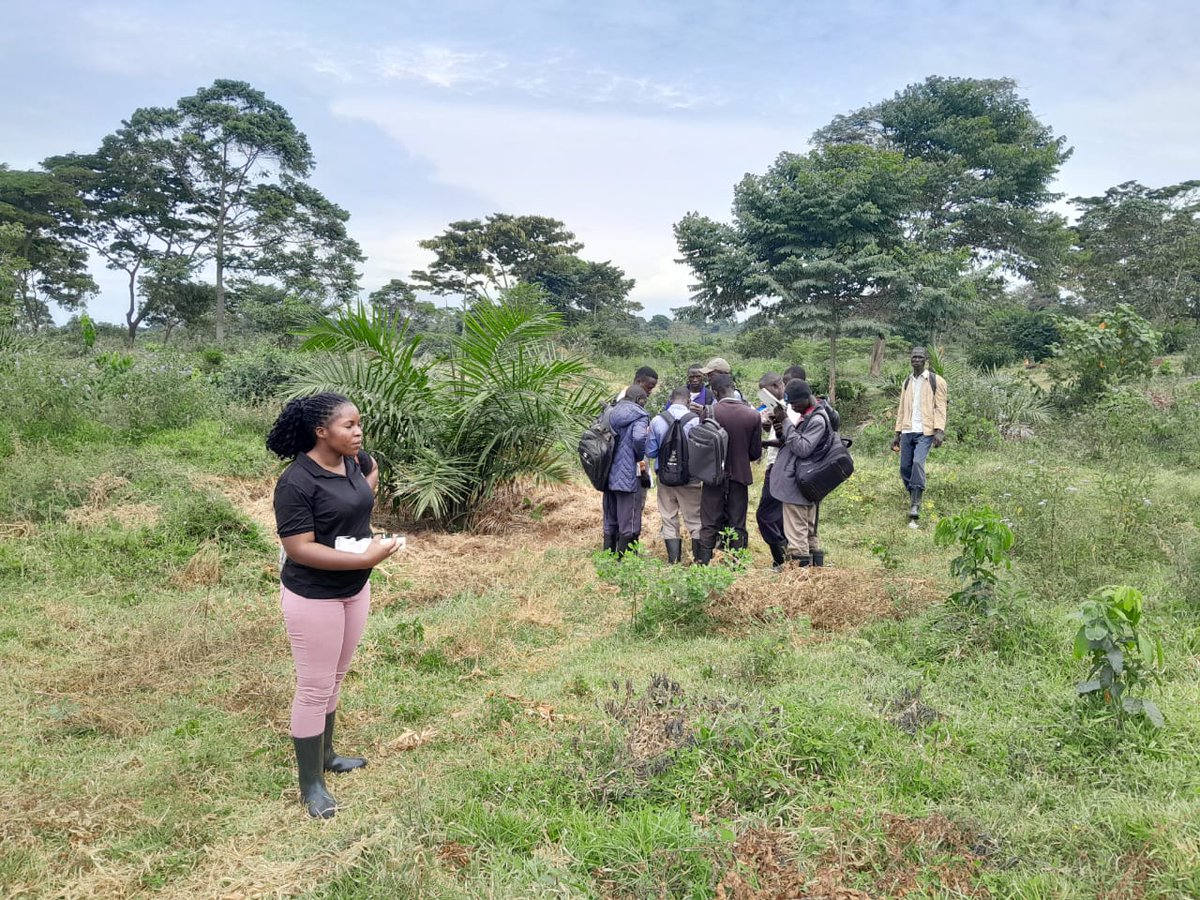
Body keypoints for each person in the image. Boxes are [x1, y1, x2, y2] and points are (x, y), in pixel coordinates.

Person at [267, 392, 402, 819]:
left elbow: (368, 480)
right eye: (348, 426)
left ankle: (327, 756)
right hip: (313, 595)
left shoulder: (357, 463)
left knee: (336, 677)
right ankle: (311, 786)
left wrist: (356, 512)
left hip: (354, 589)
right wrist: (363, 557)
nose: (358, 431)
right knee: (314, 687)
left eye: (359, 423)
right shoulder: (296, 482)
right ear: (320, 432)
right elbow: (299, 548)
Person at [696, 373, 762, 562]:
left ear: (715, 392)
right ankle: (737, 565)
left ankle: (704, 564)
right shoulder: (753, 415)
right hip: (739, 476)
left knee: (709, 523)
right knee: (737, 523)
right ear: (733, 389)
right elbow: (755, 454)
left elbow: (704, 446)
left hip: (713, 476)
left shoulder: (709, 412)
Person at [770, 379, 828, 567]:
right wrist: (782, 431)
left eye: (795, 403)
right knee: (808, 531)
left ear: (806, 398)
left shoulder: (817, 419)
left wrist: (785, 421)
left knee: (797, 534)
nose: (793, 408)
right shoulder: (810, 415)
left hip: (798, 485)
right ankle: (814, 574)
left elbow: (803, 448)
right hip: (805, 482)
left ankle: (800, 579)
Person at [891, 346, 948, 526]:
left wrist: (939, 430)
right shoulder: (907, 382)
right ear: (910, 359)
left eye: (920, 357)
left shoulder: (936, 381)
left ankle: (915, 504)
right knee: (904, 468)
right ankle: (915, 493)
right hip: (908, 430)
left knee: (917, 463)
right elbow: (901, 409)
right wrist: (897, 433)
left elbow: (940, 407)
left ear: (926, 360)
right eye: (913, 357)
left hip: (926, 430)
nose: (916, 360)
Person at [646, 387, 703, 563]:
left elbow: (651, 452)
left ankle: (673, 562)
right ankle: (699, 562)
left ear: (670, 399)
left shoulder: (657, 420)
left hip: (665, 479)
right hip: (690, 479)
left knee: (668, 517)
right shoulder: (696, 421)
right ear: (688, 401)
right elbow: (700, 452)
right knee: (695, 519)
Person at [603, 384, 650, 556]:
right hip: (627, 474)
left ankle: (607, 556)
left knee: (610, 517)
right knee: (628, 519)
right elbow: (639, 437)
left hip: (606, 473)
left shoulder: (609, 412)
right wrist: (639, 457)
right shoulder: (640, 415)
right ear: (639, 400)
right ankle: (624, 560)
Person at [754, 372, 789, 568]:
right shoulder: (779, 407)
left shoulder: (788, 407)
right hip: (777, 466)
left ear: (777, 386)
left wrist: (763, 442)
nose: (766, 397)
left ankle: (781, 560)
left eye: (767, 392)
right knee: (778, 515)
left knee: (765, 515)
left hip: (778, 468)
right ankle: (784, 560)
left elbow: (786, 440)